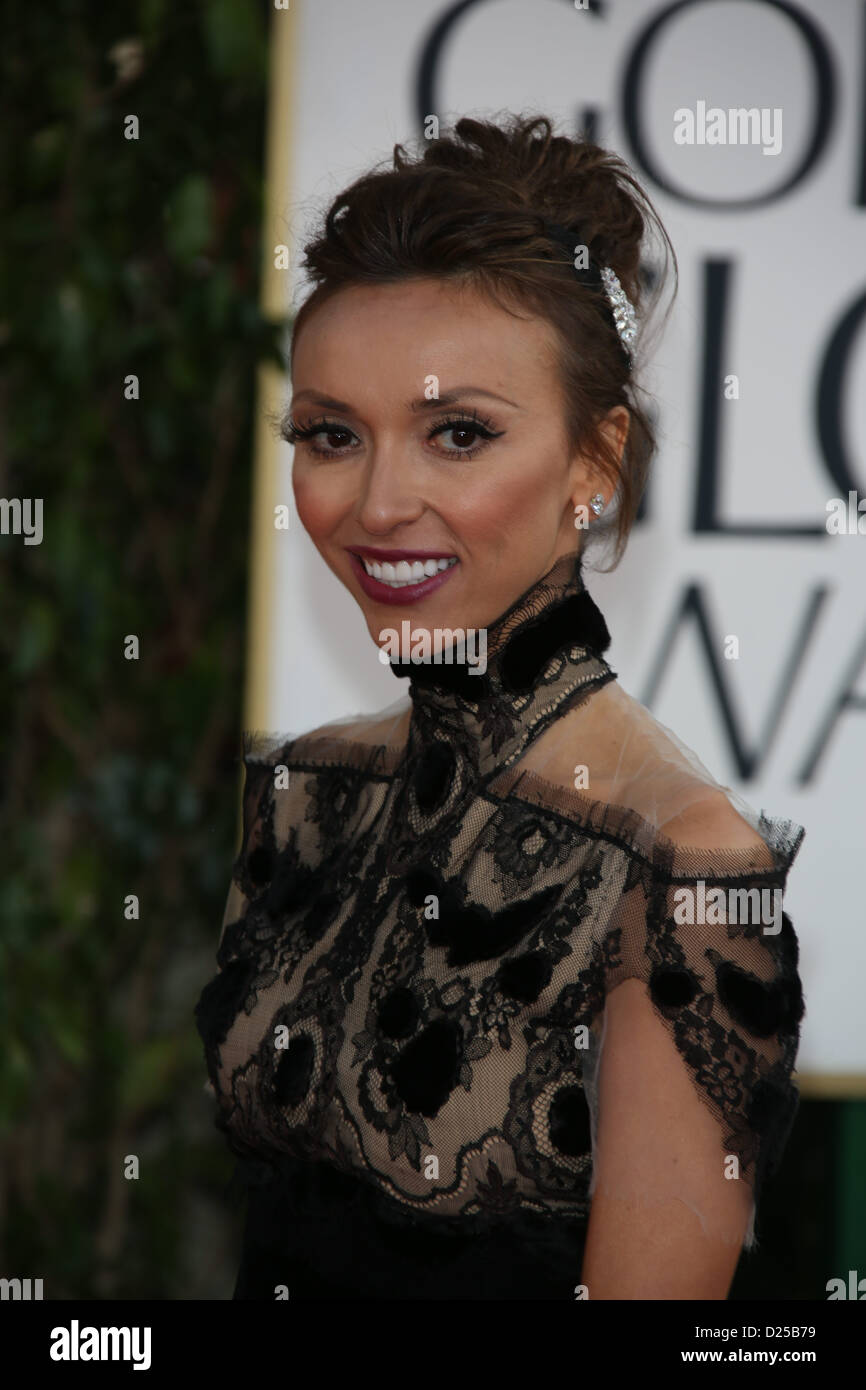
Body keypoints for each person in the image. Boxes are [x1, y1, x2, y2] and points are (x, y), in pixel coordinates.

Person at [195, 114, 806, 1300]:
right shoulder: (308, 798)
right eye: (330, 434)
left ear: (594, 465)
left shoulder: (676, 872)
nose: (377, 502)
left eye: (456, 434)